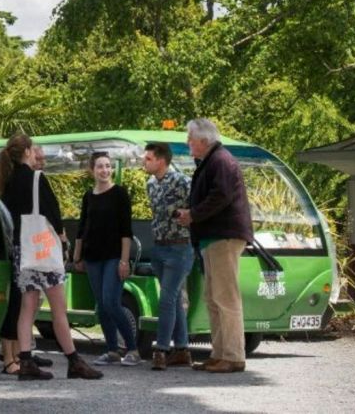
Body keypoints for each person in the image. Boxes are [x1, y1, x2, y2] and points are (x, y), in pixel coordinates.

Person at [0, 133, 102, 381]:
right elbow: (53, 213)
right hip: (43, 249)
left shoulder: (7, 182)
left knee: (27, 306)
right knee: (58, 308)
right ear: (28, 152)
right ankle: (73, 360)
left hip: (24, 251)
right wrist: (63, 241)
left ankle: (25, 361)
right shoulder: (36, 178)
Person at [175, 118, 253, 374]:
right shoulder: (212, 161)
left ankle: (233, 356)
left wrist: (193, 215)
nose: (188, 143)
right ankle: (219, 353)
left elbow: (220, 196)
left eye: (190, 138)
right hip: (213, 238)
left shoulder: (220, 160)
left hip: (224, 236)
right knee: (213, 298)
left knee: (225, 297)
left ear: (204, 140)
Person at [72, 152, 140, 366]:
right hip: (93, 256)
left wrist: (124, 260)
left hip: (114, 256)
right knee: (101, 305)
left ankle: (132, 349)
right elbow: (83, 227)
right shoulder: (88, 196)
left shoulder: (120, 194)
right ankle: (112, 350)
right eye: (100, 166)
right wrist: (77, 255)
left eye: (108, 166)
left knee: (112, 301)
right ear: (92, 170)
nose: (105, 170)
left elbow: (125, 230)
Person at [0, 144, 53, 375]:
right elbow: (48, 211)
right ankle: (11, 358)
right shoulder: (31, 178)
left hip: (14, 245)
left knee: (17, 302)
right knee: (20, 303)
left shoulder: (7, 180)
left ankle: (14, 354)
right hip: (28, 245)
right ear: (28, 151)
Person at [142, 141, 194, 370]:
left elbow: (199, 207)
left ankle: (161, 350)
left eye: (149, 159)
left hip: (180, 247)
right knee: (172, 301)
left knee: (166, 299)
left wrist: (188, 215)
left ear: (161, 161)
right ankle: (182, 349)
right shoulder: (151, 184)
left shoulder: (183, 182)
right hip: (159, 247)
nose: (144, 162)